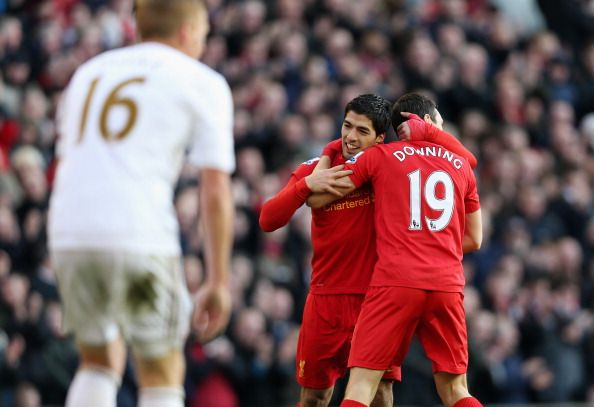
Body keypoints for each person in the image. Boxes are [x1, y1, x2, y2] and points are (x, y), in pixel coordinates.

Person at [47, 1, 235, 407]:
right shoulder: (201, 81)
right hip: (138, 237)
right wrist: (218, 280)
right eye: (203, 36)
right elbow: (215, 189)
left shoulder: (89, 72)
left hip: (70, 232)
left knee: (97, 361)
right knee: (162, 374)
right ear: (187, 32)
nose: (203, 46)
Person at [259, 93, 477, 407]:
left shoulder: (386, 168)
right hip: (325, 300)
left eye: (362, 131)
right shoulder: (315, 169)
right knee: (313, 398)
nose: (350, 136)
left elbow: (459, 163)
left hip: (376, 300)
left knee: (380, 394)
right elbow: (268, 219)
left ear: (379, 138)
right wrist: (307, 185)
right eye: (347, 126)